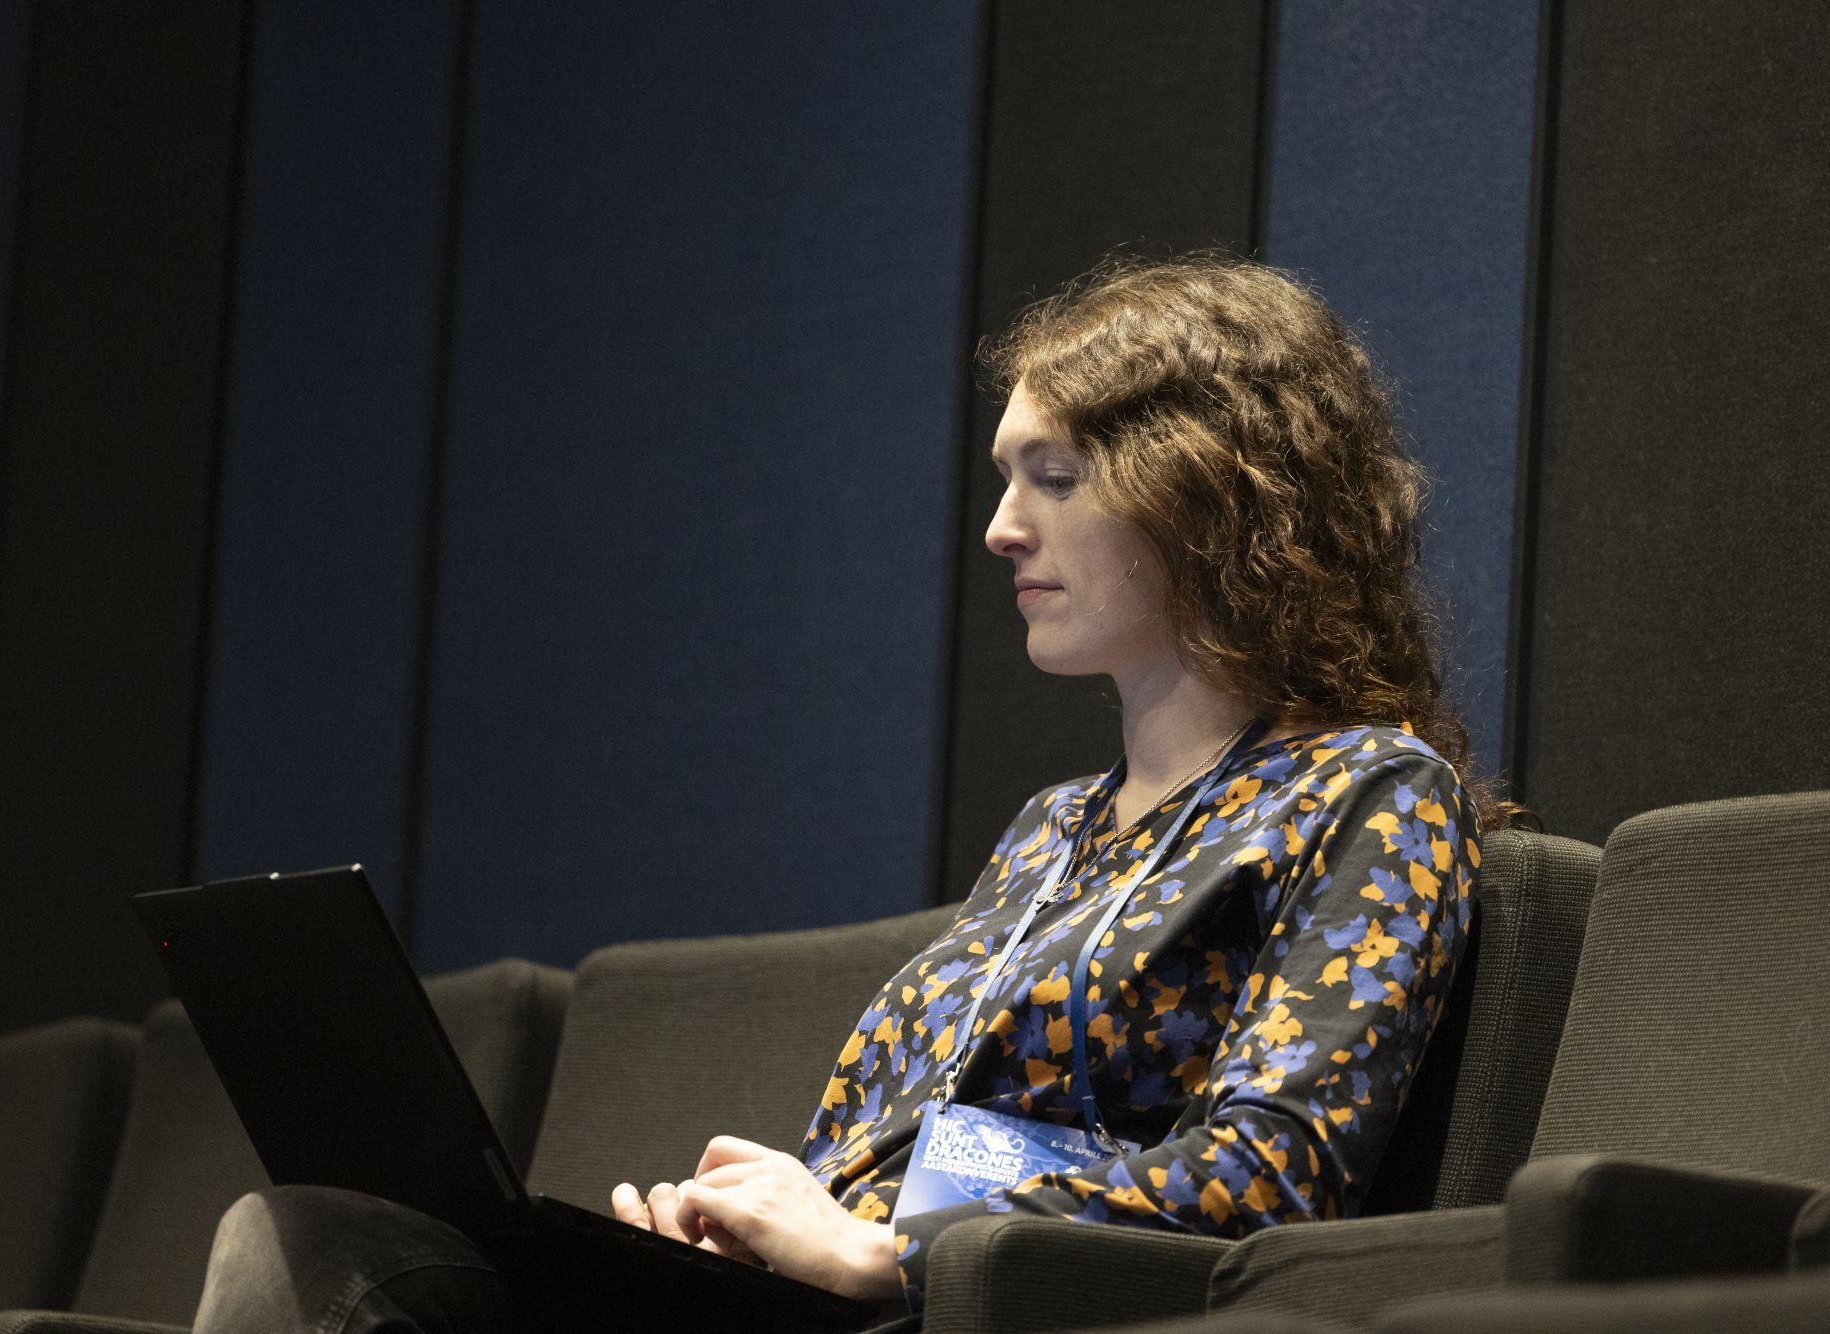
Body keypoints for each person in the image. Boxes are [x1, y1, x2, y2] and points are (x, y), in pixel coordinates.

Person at [191, 252, 1502, 1331]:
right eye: (1006, 479)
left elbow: (1274, 1178)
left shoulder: (1368, 794)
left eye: (1053, 477)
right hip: (820, 1300)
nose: (1001, 527)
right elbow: (924, 1143)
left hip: (963, 1312)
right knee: (328, 1231)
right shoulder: (1053, 830)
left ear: (1212, 498)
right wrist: (770, 1212)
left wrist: (889, 1248)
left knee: (328, 1250)